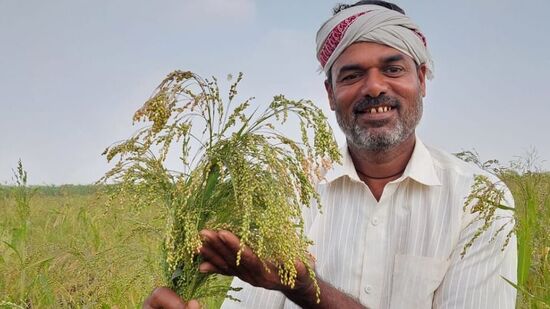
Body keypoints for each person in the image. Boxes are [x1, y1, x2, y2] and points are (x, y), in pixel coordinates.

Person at [144, 1, 517, 308]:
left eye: (393, 69)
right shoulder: (286, 195)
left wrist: (305, 288)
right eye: (352, 76)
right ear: (329, 93)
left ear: (421, 79)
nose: (374, 87)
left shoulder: (479, 200)